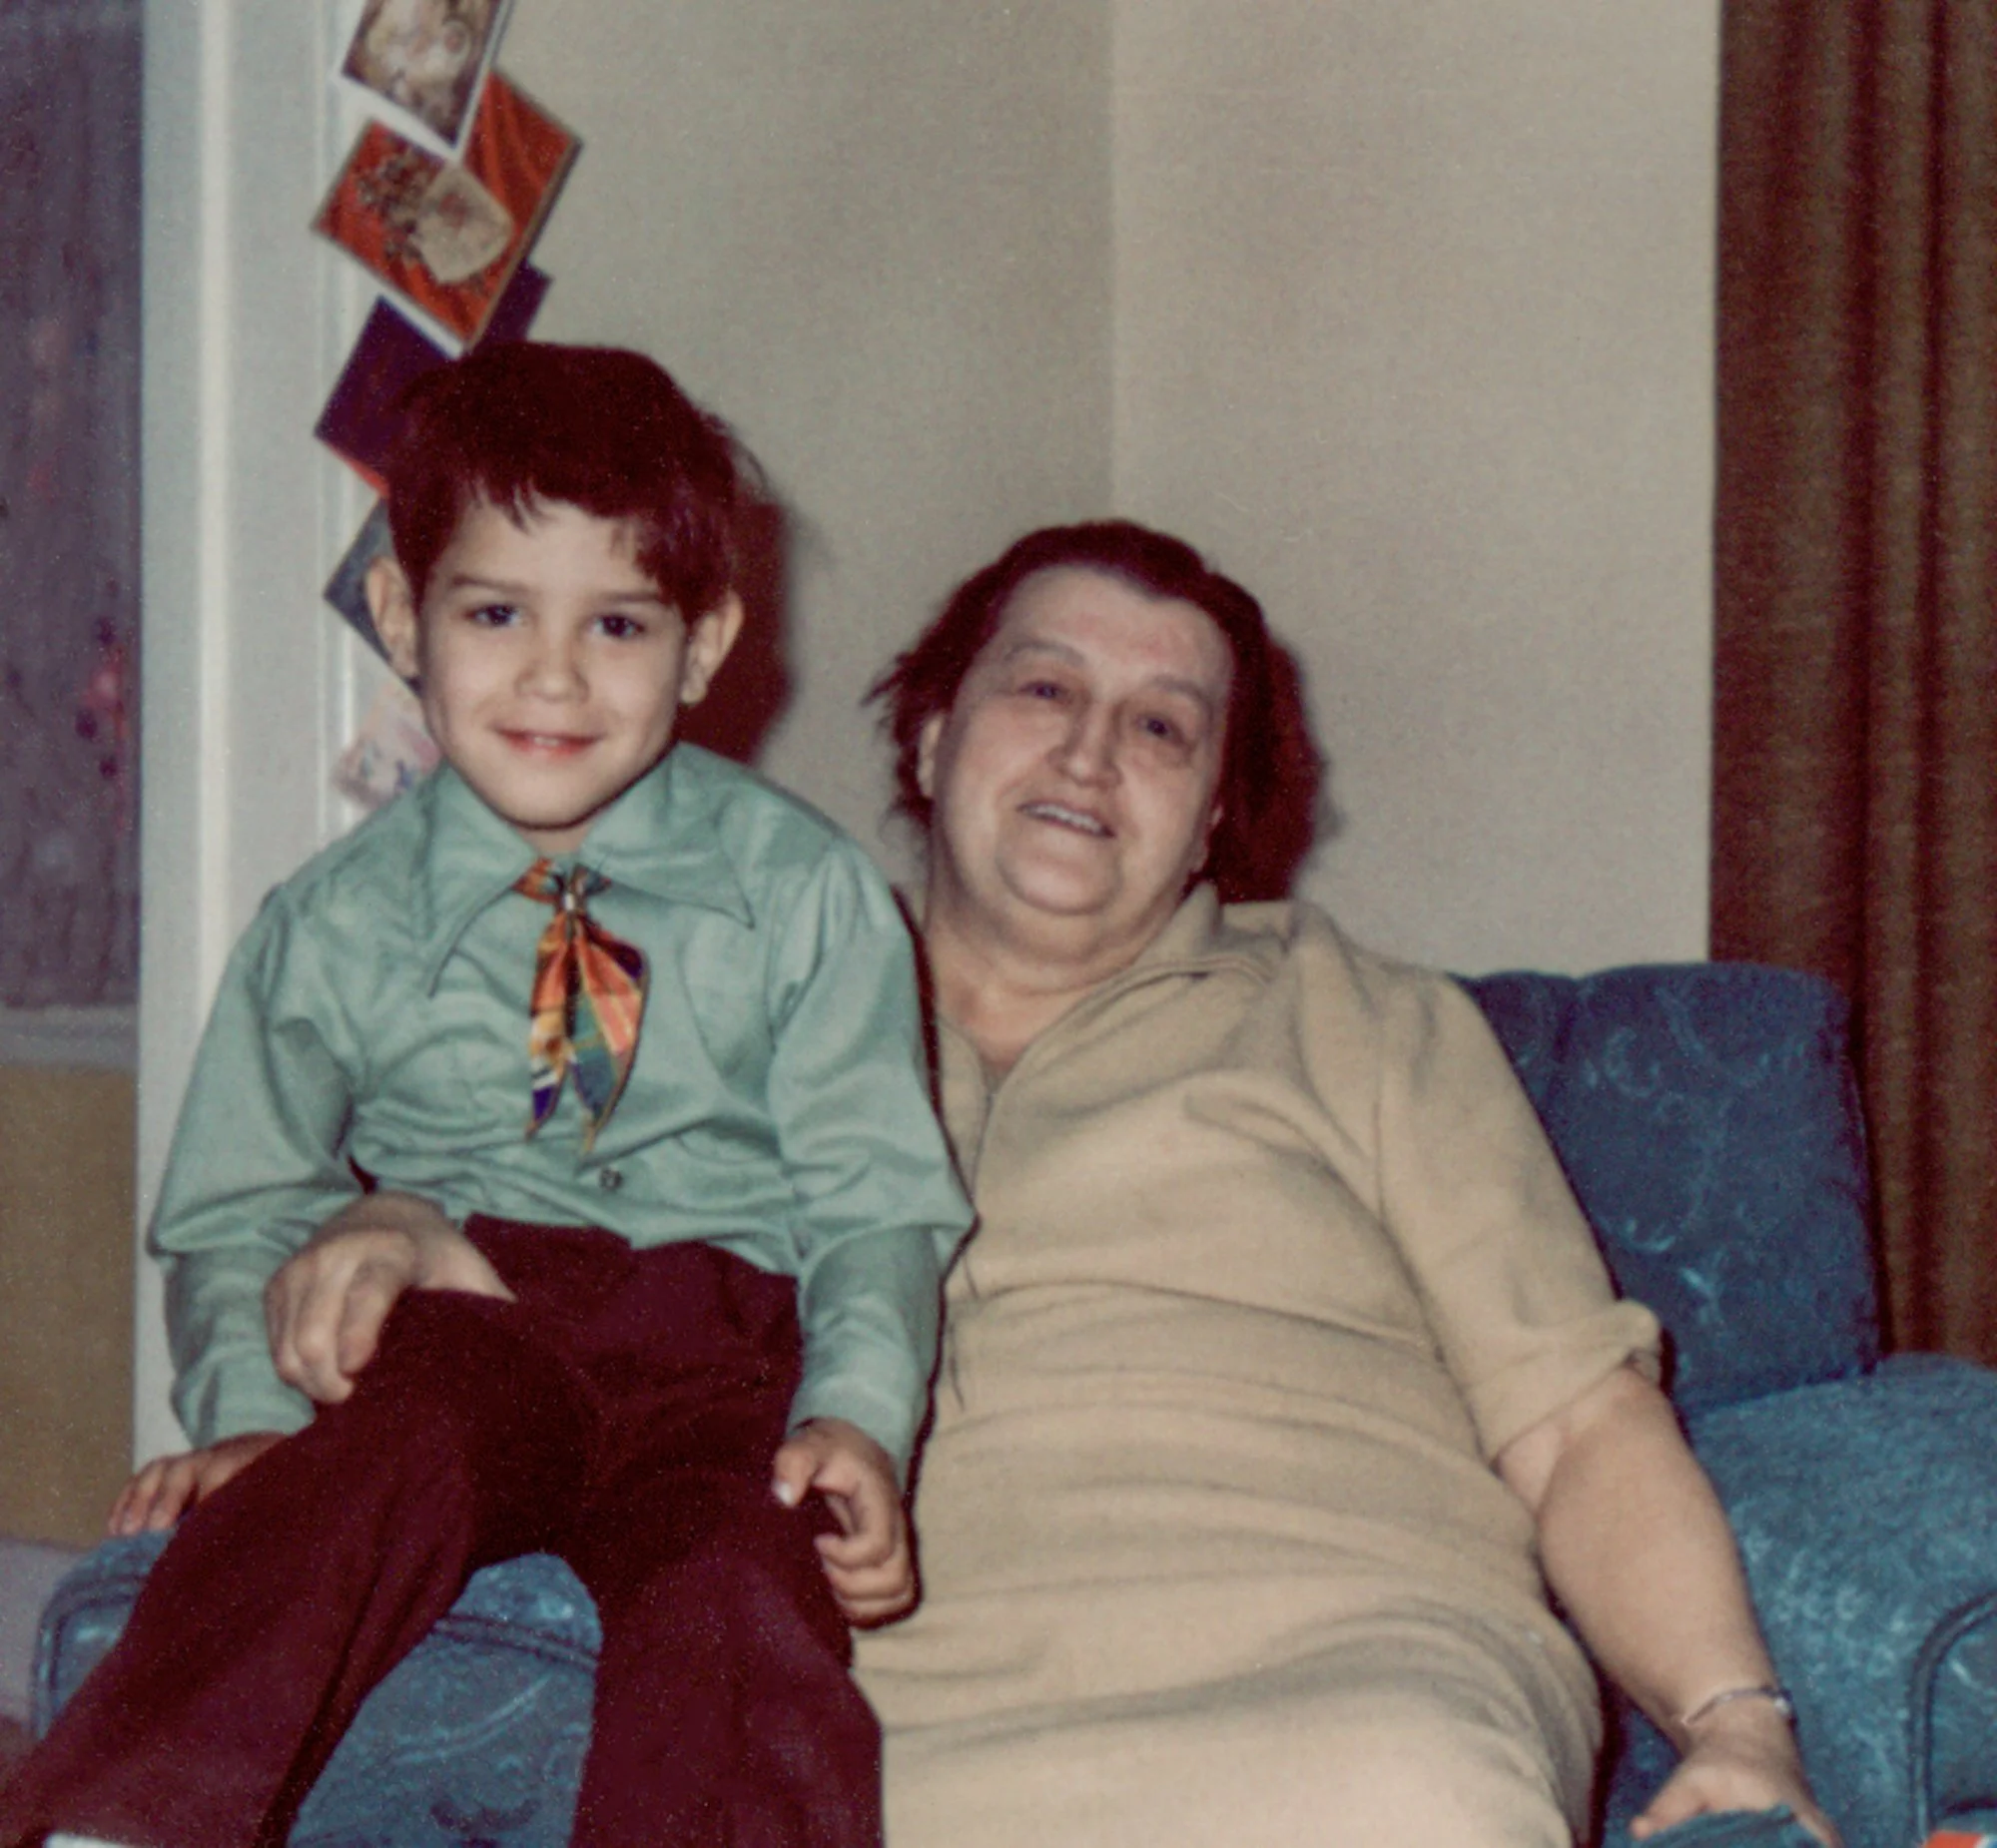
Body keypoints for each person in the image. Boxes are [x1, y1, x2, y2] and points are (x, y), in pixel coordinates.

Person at [0, 343, 973, 1848]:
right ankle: (123, 1820)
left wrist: (858, 1414)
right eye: (498, 610)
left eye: (621, 622)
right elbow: (239, 1202)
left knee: (738, 1596)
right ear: (404, 618)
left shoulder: (813, 896)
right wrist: (254, 1416)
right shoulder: (328, 922)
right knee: (384, 1456)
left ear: (703, 646)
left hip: (722, 1350)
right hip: (472, 1315)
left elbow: (875, 1200)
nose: (556, 675)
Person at [843, 519, 1841, 1848]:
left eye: (1161, 728)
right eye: (1043, 688)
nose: (1089, 750)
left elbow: (1577, 1425)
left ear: (1207, 821)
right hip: (908, 1709)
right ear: (929, 734)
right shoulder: (758, 1028)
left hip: (1356, 1666)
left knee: (1408, 1790)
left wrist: (1736, 1721)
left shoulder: (1361, 1015)